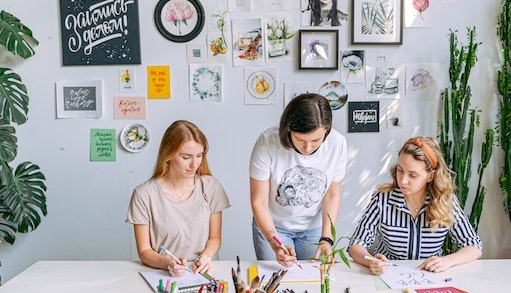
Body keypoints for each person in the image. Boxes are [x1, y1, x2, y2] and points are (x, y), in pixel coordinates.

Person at [347, 136, 482, 275]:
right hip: (388, 275)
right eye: (400, 170)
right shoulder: (381, 200)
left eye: (413, 175)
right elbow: (355, 244)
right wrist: (371, 262)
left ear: (430, 176)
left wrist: (448, 261)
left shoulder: (446, 202)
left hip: (431, 277)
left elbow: (474, 246)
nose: (403, 181)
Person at [250, 93, 347, 267]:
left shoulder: (337, 144)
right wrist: (274, 243)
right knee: (276, 275)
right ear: (288, 129)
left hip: (313, 227)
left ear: (327, 130)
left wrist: (327, 238)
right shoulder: (267, 142)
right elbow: (259, 201)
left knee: (313, 277)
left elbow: (332, 195)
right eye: (300, 139)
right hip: (273, 225)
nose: (307, 148)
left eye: (316, 140)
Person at [126, 120, 230, 277]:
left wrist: (206, 257)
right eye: (186, 157)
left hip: (203, 271)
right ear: (168, 155)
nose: (194, 164)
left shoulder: (211, 187)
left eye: (199, 156)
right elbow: (144, 251)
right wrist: (168, 264)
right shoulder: (143, 194)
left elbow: (214, 237)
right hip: (163, 273)